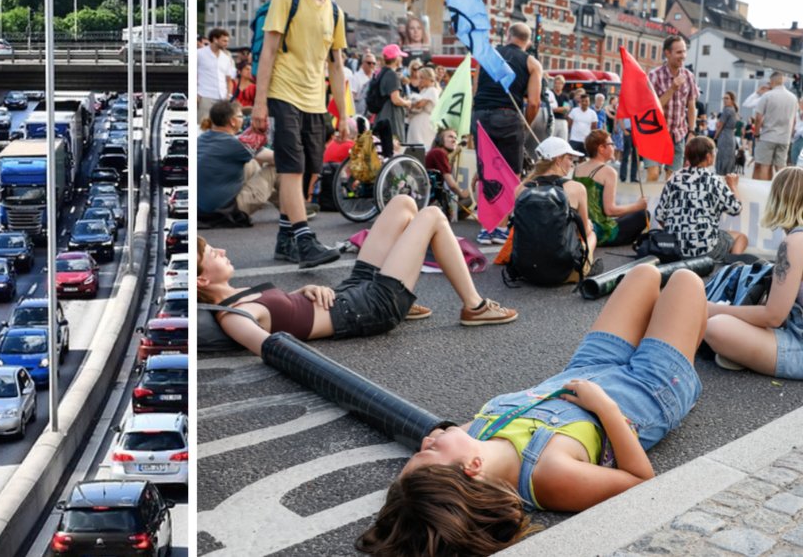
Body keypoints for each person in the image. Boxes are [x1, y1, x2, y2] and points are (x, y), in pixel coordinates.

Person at [357, 263, 707, 557]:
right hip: (652, 388)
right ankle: (699, 331)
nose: (425, 442)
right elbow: (639, 481)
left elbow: (432, 488)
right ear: (473, 468)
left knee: (644, 273)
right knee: (686, 281)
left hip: (589, 365)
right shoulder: (548, 476)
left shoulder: (475, 439)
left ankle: (690, 324)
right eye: (430, 452)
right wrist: (606, 408)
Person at [198, 196, 519, 355]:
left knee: (403, 204)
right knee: (433, 215)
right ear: (202, 280)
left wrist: (307, 289)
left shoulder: (238, 294)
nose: (223, 251)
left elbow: (286, 312)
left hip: (348, 292)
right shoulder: (236, 315)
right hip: (368, 308)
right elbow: (277, 351)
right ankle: (474, 306)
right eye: (213, 254)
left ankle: (406, 298)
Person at [251, 0, 354, 269]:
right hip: (284, 93)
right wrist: (259, 103)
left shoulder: (336, 12)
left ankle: (285, 239)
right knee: (291, 168)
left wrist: (345, 116)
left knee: (310, 169)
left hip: (315, 101)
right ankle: (304, 240)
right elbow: (268, 51)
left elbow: (336, 66)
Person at [705, 167, 803, 375]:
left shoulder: (795, 242)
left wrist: (712, 308)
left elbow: (773, 317)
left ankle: (745, 353)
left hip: (798, 346)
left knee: (716, 326)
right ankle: (746, 352)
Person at [511, 137, 597, 276]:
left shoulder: (521, 189)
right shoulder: (577, 188)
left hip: (526, 269)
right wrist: (588, 225)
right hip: (563, 271)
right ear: (558, 159)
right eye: (569, 159)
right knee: (592, 234)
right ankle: (587, 264)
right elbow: (584, 232)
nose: (571, 164)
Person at [654, 136, 747, 260]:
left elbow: (659, 215)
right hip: (705, 250)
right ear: (708, 157)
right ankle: (734, 265)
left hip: (672, 248)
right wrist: (733, 186)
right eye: (714, 153)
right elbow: (736, 209)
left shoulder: (674, 178)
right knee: (741, 238)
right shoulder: (714, 180)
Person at [470, 23, 543, 175]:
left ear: (508, 36)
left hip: (481, 116)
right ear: (528, 42)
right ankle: (509, 199)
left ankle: (482, 198)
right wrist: (525, 125)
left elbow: (475, 92)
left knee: (485, 171)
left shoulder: (485, 56)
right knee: (511, 173)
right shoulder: (532, 63)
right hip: (508, 117)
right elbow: (534, 103)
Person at [197, 100, 276, 218]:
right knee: (276, 168)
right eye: (240, 116)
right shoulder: (236, 145)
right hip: (227, 210)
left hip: (203, 208)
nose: (243, 119)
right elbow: (278, 159)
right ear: (232, 122)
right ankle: (292, 208)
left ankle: (289, 203)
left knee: (251, 163)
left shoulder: (202, 138)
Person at [573, 130, 649, 247]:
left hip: (581, 228)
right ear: (601, 148)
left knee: (627, 215)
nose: (614, 147)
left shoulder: (578, 168)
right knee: (643, 214)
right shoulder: (609, 172)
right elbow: (610, 210)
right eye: (611, 144)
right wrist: (637, 206)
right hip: (602, 231)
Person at [647, 36, 699, 182]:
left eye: (684, 52)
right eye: (678, 52)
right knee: (653, 175)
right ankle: (649, 205)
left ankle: (666, 205)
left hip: (678, 134)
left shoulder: (689, 76)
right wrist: (672, 88)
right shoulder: (654, 76)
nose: (683, 56)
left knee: (673, 180)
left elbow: (691, 105)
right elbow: (652, 107)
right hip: (655, 133)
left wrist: (692, 131)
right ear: (667, 53)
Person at [751, 71, 797, 180]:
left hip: (768, 136)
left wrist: (757, 134)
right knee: (781, 167)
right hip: (784, 138)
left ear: (772, 81)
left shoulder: (767, 96)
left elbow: (758, 117)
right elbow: (794, 120)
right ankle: (783, 192)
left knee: (765, 166)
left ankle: (765, 191)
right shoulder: (793, 98)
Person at [372, 43, 411, 161]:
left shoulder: (381, 73)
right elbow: (395, 99)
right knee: (395, 151)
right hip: (392, 119)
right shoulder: (392, 75)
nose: (402, 58)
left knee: (384, 152)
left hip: (382, 116)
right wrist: (407, 103)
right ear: (396, 59)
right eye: (400, 56)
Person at [198, 28, 236, 125]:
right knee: (204, 127)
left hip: (222, 98)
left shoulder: (226, 57)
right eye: (224, 41)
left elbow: (229, 79)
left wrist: (229, 95)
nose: (226, 43)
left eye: (227, 41)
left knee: (220, 127)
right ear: (215, 39)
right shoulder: (199, 54)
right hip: (205, 95)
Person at [426, 128, 472, 204]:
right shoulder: (439, 153)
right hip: (432, 200)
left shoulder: (437, 152)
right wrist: (462, 194)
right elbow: (452, 185)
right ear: (440, 140)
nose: (454, 140)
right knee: (467, 201)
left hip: (433, 197)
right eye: (450, 137)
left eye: (455, 138)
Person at [407, 67, 440, 151]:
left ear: (429, 79)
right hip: (417, 124)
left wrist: (410, 104)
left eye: (422, 78)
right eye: (419, 78)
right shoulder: (424, 91)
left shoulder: (432, 90)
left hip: (424, 124)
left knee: (422, 147)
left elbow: (419, 104)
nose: (420, 80)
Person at [714, 91, 739, 176]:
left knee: (722, 156)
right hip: (731, 136)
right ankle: (727, 175)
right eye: (724, 98)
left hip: (725, 136)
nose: (724, 100)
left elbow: (720, 125)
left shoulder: (727, 109)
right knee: (729, 157)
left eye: (727, 98)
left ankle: (721, 175)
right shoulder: (733, 109)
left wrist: (715, 137)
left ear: (732, 100)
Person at [567, 90, 596, 154]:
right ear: (580, 102)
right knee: (569, 155)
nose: (584, 103)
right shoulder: (574, 111)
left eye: (586, 101)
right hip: (574, 139)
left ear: (589, 102)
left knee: (585, 158)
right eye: (583, 101)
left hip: (586, 140)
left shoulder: (593, 113)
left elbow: (594, 127)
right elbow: (569, 124)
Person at [550, 75, 570, 140]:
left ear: (563, 85)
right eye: (556, 83)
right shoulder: (550, 94)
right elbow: (549, 109)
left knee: (563, 140)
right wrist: (562, 109)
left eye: (559, 83)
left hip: (562, 121)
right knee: (551, 140)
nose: (557, 85)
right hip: (552, 120)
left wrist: (555, 109)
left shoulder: (565, 96)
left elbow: (566, 110)